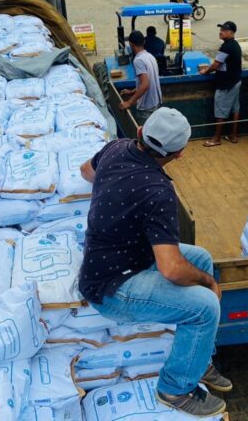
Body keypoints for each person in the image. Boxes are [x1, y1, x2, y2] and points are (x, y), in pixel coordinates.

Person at [78, 108, 231, 417]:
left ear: (141, 132)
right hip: (111, 287)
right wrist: (209, 283)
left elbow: (86, 172)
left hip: (121, 257)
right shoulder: (158, 191)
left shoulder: (116, 147)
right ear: (180, 153)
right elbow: (171, 268)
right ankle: (175, 389)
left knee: (201, 257)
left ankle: (199, 360)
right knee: (206, 305)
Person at [202, 21, 242, 146]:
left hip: (226, 84)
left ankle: (216, 139)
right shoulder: (235, 45)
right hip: (235, 81)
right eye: (221, 29)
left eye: (224, 30)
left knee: (220, 110)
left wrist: (205, 71)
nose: (221, 32)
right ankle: (233, 136)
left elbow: (215, 65)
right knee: (235, 109)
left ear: (231, 33)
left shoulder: (227, 47)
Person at [119, 30, 161, 125]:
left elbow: (145, 84)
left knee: (144, 137)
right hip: (155, 103)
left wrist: (129, 102)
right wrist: (132, 91)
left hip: (146, 108)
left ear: (131, 44)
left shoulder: (138, 60)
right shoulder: (150, 57)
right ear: (144, 42)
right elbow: (147, 81)